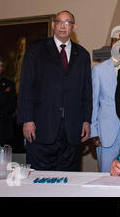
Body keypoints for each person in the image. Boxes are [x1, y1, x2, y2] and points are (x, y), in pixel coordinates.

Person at [17, 10, 92, 171]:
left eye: (67, 22)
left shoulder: (83, 55)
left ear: (74, 27)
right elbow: (26, 87)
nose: (63, 26)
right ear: (53, 25)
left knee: (69, 182)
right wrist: (26, 119)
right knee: (40, 184)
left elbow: (86, 91)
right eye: (59, 22)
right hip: (41, 128)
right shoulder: (35, 50)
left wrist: (86, 120)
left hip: (72, 131)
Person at [91, 30, 120, 172]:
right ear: (111, 44)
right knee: (106, 175)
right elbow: (94, 103)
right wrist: (93, 131)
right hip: (106, 133)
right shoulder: (99, 70)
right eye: (116, 40)